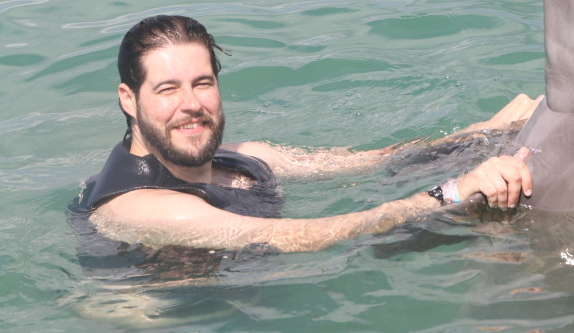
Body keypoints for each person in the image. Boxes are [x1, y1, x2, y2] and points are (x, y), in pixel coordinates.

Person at [70, 15, 541, 254]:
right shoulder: (140, 205)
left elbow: (373, 161)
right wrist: (455, 191)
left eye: (203, 83)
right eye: (168, 89)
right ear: (128, 99)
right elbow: (304, 236)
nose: (191, 104)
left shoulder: (241, 158)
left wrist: (485, 132)